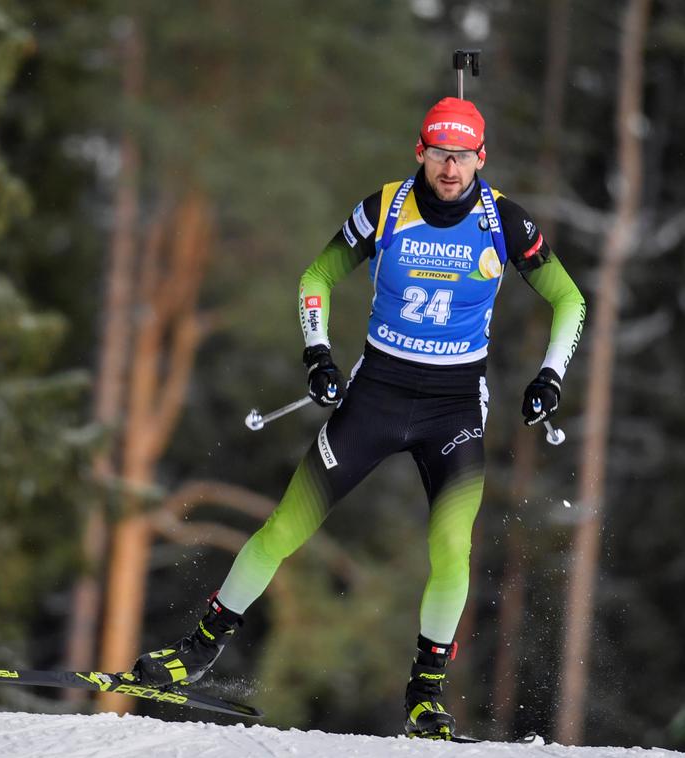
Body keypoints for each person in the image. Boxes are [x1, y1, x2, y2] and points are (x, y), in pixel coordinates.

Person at [129, 97, 586, 739]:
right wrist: (318, 352)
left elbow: (570, 299)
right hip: (376, 395)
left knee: (453, 550)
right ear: (419, 150)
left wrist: (551, 374)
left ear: (481, 158)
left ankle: (425, 696)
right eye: (438, 153)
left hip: (453, 407)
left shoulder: (504, 221)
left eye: (461, 156)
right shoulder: (386, 208)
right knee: (285, 526)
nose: (449, 168)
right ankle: (197, 654)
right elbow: (317, 275)